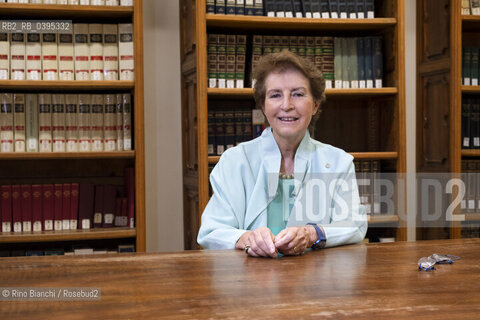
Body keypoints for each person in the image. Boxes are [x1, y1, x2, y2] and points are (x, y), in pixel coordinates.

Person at [197, 50, 367, 258]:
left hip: (316, 282)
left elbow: (355, 226)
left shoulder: (339, 162)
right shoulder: (235, 161)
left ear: (315, 105)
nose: (287, 105)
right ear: (263, 106)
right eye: (275, 95)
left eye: (298, 94)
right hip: (248, 281)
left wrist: (312, 233)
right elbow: (211, 231)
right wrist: (246, 239)